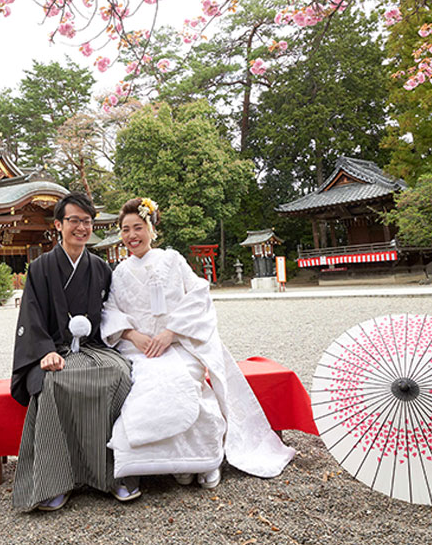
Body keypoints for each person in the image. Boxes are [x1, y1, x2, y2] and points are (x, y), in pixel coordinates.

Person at [100, 197, 296, 487]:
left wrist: (172, 332)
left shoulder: (172, 260)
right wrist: (132, 335)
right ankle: (167, 465)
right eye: (125, 229)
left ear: (151, 228)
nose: (131, 236)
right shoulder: (119, 273)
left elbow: (198, 294)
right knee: (145, 384)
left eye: (138, 227)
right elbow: (110, 311)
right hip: (140, 350)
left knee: (185, 381)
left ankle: (206, 458)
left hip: (179, 344)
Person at [11, 192, 140, 511]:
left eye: (87, 221)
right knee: (54, 381)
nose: (82, 228)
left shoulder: (100, 268)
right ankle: (56, 481)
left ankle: (116, 473)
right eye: (74, 221)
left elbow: (113, 312)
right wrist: (43, 351)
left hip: (95, 346)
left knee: (120, 374)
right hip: (54, 349)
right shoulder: (40, 268)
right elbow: (31, 315)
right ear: (58, 225)